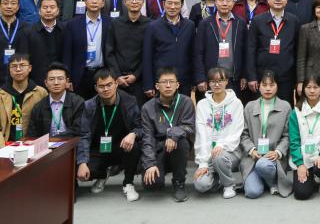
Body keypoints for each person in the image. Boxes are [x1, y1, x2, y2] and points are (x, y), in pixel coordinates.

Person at [77, 68, 142, 202]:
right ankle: (102, 174)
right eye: (101, 86)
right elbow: (84, 135)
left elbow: (140, 126)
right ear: (96, 88)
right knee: (83, 171)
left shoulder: (129, 101)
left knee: (134, 146)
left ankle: (128, 183)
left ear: (116, 84)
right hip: (99, 148)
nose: (106, 89)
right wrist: (82, 162)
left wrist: (133, 134)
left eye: (109, 84)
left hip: (121, 147)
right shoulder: (89, 106)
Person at [140, 67, 196, 202]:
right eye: (164, 82)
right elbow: (147, 138)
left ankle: (179, 182)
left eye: (172, 82)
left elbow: (189, 127)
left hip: (177, 147)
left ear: (178, 85)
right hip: (158, 150)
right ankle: (159, 170)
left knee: (181, 142)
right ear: (157, 86)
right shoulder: (147, 107)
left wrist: (173, 135)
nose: (168, 85)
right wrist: (150, 164)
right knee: (152, 185)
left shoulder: (186, 102)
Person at [239, 70, 293, 198]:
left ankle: (272, 182)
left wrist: (278, 152)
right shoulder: (250, 107)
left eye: (272, 85)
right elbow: (243, 134)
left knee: (263, 165)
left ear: (277, 86)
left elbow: (287, 135)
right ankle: (268, 181)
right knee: (252, 192)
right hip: (253, 158)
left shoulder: (285, 106)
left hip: (273, 159)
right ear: (259, 86)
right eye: (264, 85)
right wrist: (251, 150)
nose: (268, 88)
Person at [194, 66, 246, 198]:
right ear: (208, 83)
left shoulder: (236, 103)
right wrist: (203, 163)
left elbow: (237, 131)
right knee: (201, 185)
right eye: (213, 81)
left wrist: (221, 145)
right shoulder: (202, 105)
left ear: (227, 81)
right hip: (208, 154)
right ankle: (217, 178)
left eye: (220, 80)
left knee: (219, 158)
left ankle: (229, 185)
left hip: (230, 151)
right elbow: (201, 135)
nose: (217, 84)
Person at [245, 0, 300, 102]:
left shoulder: (294, 21)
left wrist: (297, 79)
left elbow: (297, 51)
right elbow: (250, 50)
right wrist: (251, 76)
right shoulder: (257, 21)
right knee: (261, 109)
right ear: (268, 0)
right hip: (262, 77)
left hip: (286, 78)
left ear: (286, 0)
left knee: (284, 109)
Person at [288, 75, 320, 200]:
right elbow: (294, 142)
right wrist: (300, 164)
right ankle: (309, 178)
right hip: (303, 157)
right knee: (302, 194)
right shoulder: (296, 112)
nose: (312, 91)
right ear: (303, 89)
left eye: (315, 87)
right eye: (308, 87)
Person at [0, 53, 48, 151]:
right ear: (9, 69)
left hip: (32, 145)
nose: (18, 69)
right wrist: (1, 150)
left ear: (30, 68)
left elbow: (45, 124)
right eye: (14, 66)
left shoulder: (41, 93)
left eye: (22, 65)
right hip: (5, 145)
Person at [142, 0, 195, 98]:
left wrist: (194, 80)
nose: (172, 7)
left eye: (176, 3)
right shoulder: (153, 27)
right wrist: (148, 84)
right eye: (169, 3)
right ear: (164, 4)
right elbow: (147, 57)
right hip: (161, 82)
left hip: (183, 81)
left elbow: (193, 54)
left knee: (183, 108)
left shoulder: (190, 26)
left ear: (181, 5)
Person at [194, 0, 247, 96]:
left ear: (233, 3)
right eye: (221, 0)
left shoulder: (240, 22)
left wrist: (244, 75)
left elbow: (246, 51)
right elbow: (198, 53)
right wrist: (200, 78)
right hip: (211, 79)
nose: (225, 3)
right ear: (215, 2)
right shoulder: (205, 23)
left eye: (228, 0)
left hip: (234, 78)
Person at [63, 0, 110, 100]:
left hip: (102, 73)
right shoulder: (72, 24)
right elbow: (67, 54)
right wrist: (67, 78)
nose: (94, 1)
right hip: (79, 75)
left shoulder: (110, 23)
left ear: (103, 3)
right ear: (85, 1)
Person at [106, 0, 150, 107]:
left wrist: (136, 75)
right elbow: (109, 52)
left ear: (143, 2)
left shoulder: (150, 25)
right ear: (125, 2)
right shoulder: (115, 23)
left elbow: (148, 54)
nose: (134, 2)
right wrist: (117, 75)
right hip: (117, 79)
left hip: (139, 80)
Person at [28, 62, 86, 141]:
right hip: (46, 147)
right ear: (46, 83)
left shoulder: (78, 103)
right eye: (51, 79)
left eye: (60, 79)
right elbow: (32, 134)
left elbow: (78, 130)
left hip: (71, 145)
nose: (56, 83)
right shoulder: (39, 107)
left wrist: (54, 139)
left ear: (67, 81)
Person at [27, 0, 65, 86]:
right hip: (36, 81)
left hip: (61, 80)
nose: (48, 10)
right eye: (45, 7)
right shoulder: (28, 32)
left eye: (52, 7)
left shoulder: (66, 30)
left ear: (58, 10)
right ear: (39, 11)